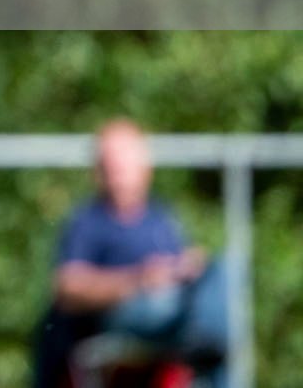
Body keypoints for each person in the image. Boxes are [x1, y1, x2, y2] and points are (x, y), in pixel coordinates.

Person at [33, 119, 226, 388]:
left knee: (223, 272)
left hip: (175, 314)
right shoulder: (87, 221)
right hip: (124, 315)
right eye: (110, 162)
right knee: (176, 312)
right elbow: (67, 287)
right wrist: (137, 280)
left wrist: (187, 268)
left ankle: (206, 347)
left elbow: (177, 269)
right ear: (98, 169)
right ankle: (202, 343)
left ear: (145, 166)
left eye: (124, 160)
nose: (117, 170)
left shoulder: (162, 218)